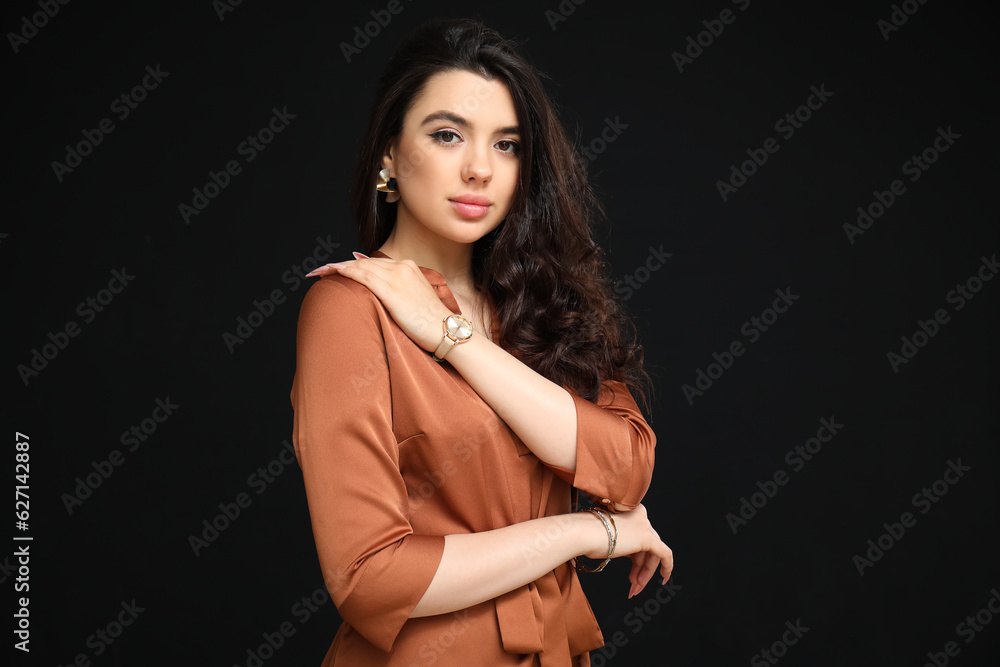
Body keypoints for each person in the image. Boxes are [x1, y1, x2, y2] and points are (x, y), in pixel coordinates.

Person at [289, 17, 673, 666]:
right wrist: (587, 530)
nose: (478, 168)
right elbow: (370, 575)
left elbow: (626, 466)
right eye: (447, 134)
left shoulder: (551, 302)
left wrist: (453, 338)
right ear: (389, 152)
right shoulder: (348, 308)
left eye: (507, 145)